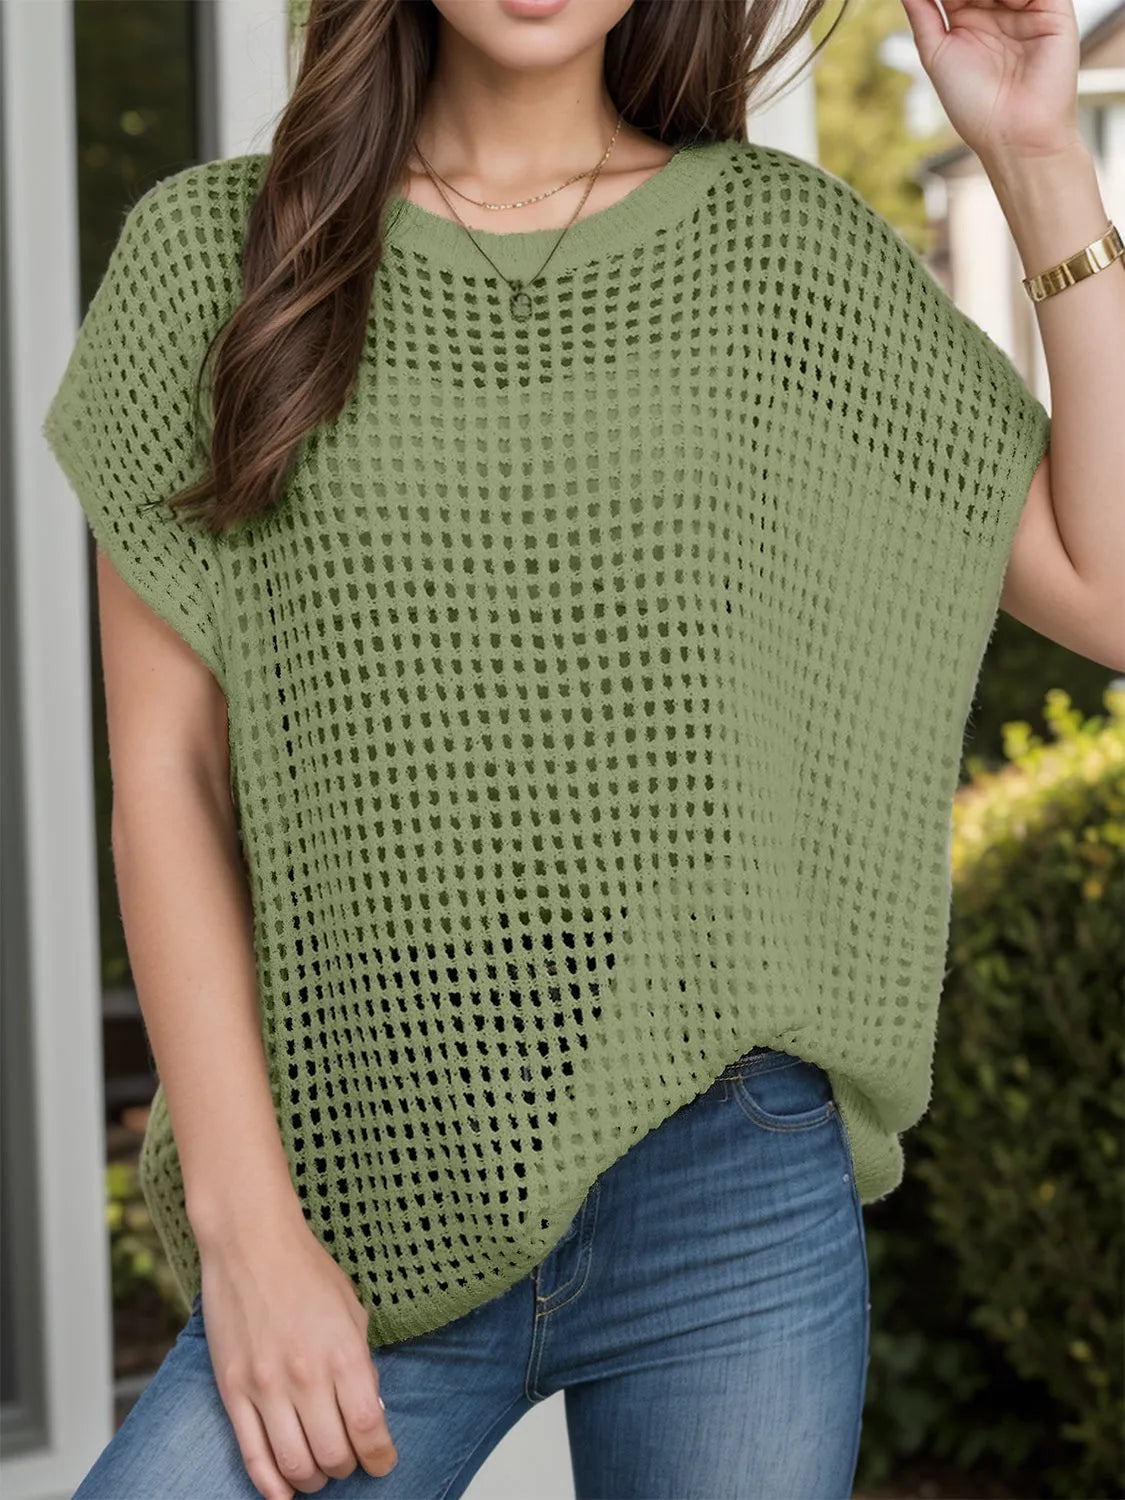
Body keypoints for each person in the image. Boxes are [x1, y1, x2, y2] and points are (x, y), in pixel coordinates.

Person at [42, 0, 1123, 1496]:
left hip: (727, 1182)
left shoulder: (781, 257)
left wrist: (1037, 153)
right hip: (360, 1186)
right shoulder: (213, 260)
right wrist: (250, 1239)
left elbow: (1109, 587)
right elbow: (168, 779)